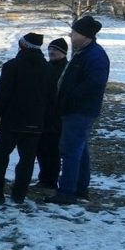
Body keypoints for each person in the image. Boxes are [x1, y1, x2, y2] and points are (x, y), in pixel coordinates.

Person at [0, 32, 53, 204]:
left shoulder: (12, 66)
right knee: (27, 161)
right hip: (36, 123)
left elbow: (2, 95)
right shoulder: (48, 69)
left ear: (23, 46)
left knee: (0, 156)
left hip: (12, 122)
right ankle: (19, 195)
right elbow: (51, 98)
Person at [46, 15, 110, 205]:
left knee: (71, 150)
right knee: (79, 150)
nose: (71, 34)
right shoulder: (83, 52)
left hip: (80, 110)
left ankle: (67, 192)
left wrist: (69, 98)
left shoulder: (95, 55)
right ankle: (80, 188)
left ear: (85, 35)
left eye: (74, 32)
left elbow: (95, 84)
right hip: (76, 109)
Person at [35, 38, 69, 189]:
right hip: (43, 114)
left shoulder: (66, 69)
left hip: (56, 116)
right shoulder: (47, 66)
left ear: (63, 52)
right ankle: (44, 179)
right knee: (41, 148)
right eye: (50, 49)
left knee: (52, 150)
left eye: (55, 50)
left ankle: (51, 181)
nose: (52, 52)